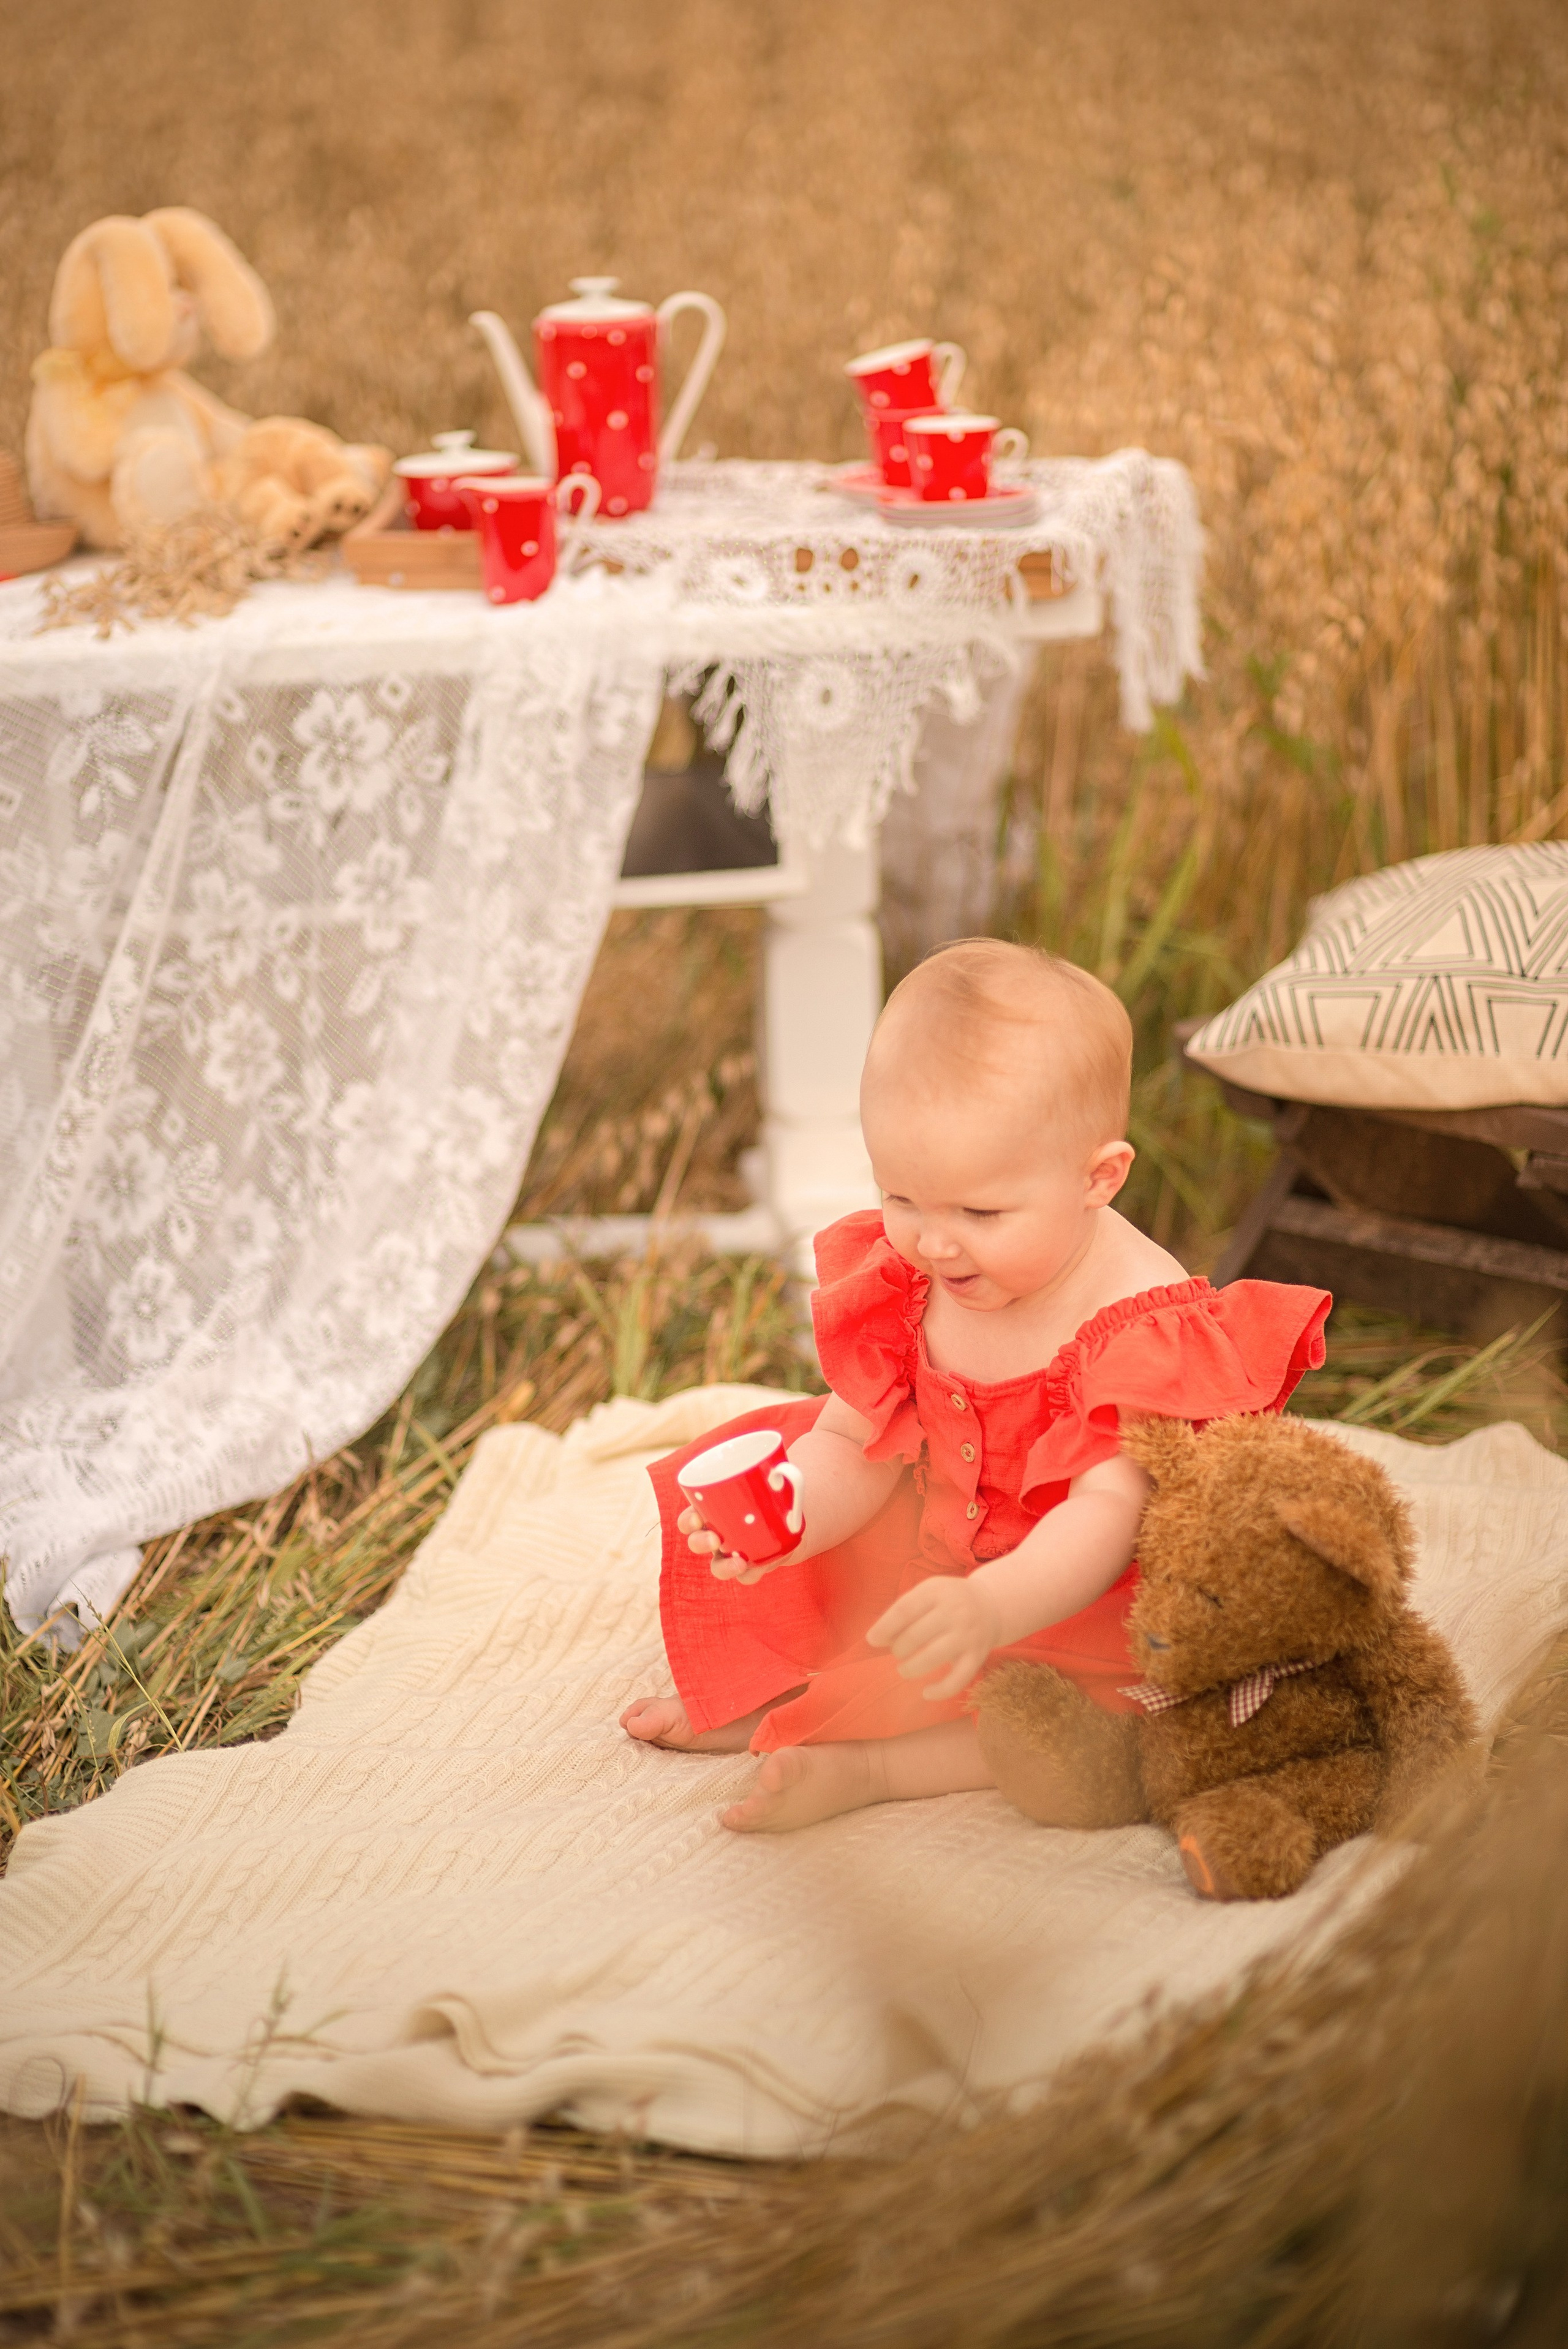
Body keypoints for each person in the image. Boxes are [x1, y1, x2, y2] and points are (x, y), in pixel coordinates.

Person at [622, 940, 1330, 1833]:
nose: (934, 1242)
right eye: (902, 1197)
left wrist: (991, 1606)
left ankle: (875, 1767)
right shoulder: (914, 1280)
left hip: (1065, 1591)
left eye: (980, 1213)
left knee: (1078, 1709)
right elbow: (854, 1441)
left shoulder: (1136, 1322)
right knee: (800, 1538)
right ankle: (773, 1697)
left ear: (1098, 1179)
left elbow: (1104, 1522)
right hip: (937, 1535)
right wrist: (792, 1511)